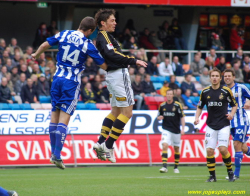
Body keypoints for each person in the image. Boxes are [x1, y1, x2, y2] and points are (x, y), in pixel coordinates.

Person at [31, 16, 107, 169]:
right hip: (70, 83)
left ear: (80, 25)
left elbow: (46, 44)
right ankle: (57, 155)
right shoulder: (87, 44)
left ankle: (54, 154)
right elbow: (104, 65)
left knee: (54, 117)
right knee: (63, 120)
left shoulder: (64, 34)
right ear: (90, 31)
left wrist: (36, 55)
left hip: (57, 79)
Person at [93, 9, 147, 163]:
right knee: (128, 112)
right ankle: (108, 145)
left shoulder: (104, 36)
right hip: (118, 75)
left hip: (112, 76)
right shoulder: (103, 36)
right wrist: (133, 60)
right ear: (103, 23)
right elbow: (112, 55)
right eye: (112, 20)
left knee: (115, 111)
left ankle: (100, 142)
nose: (115, 23)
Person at [194, 67, 237, 182]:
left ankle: (230, 172)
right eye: (212, 76)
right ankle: (212, 176)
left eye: (216, 76)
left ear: (220, 78)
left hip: (223, 124)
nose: (214, 78)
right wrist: (197, 117)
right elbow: (199, 106)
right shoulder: (205, 92)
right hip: (211, 125)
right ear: (210, 78)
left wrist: (232, 114)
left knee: (223, 149)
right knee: (209, 151)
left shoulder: (226, 91)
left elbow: (234, 105)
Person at [223, 69, 250, 179]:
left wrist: (248, 102)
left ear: (234, 77)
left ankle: (236, 174)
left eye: (229, 76)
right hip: (229, 123)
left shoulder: (241, 88)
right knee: (242, 147)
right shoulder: (222, 90)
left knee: (236, 144)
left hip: (241, 120)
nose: (227, 78)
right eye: (225, 76)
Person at [157, 89, 185, 173]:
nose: (169, 95)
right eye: (167, 94)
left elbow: (182, 117)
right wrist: (159, 118)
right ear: (166, 95)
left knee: (176, 148)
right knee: (165, 145)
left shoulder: (177, 105)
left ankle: (176, 167)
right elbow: (158, 116)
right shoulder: (162, 106)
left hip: (176, 130)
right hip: (166, 129)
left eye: (170, 94)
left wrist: (183, 129)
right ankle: (164, 166)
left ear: (173, 95)